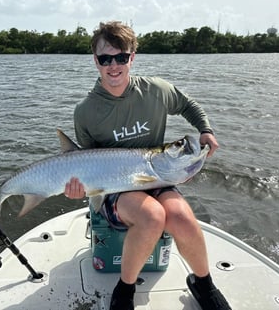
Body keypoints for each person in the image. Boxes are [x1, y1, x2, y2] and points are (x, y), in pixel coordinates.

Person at [64, 21, 231, 310]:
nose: (113, 66)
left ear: (132, 57)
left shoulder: (155, 90)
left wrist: (206, 130)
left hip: (157, 174)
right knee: (152, 217)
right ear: (95, 61)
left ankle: (204, 284)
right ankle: (125, 290)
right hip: (117, 187)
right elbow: (88, 163)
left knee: (181, 216)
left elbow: (187, 104)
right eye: (105, 59)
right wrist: (80, 189)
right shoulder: (86, 111)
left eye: (121, 57)